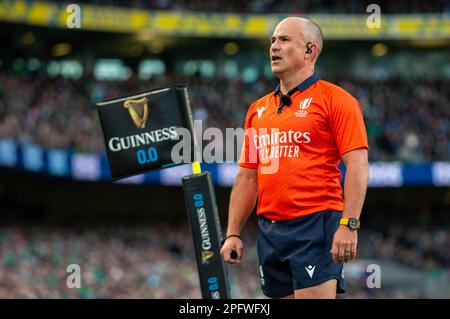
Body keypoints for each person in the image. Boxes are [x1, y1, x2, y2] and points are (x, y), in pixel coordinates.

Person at [220, 17, 369, 299]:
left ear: (309, 51)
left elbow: (358, 166)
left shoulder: (337, 101)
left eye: (285, 40)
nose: (274, 47)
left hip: (315, 225)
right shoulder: (257, 110)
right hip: (269, 231)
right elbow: (247, 176)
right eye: (273, 40)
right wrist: (233, 233)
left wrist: (349, 224)